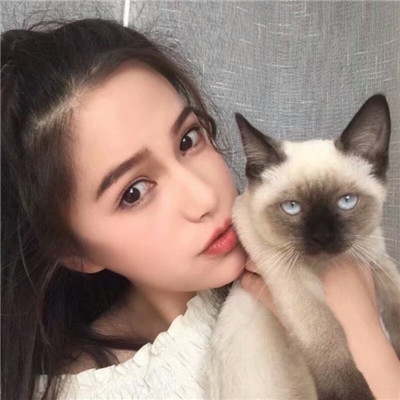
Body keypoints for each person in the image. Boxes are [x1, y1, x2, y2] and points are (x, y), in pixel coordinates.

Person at [1, 17, 399, 400]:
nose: (204, 198)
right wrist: (364, 339)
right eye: (134, 192)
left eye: (188, 140)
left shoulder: (315, 255)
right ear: (74, 252)